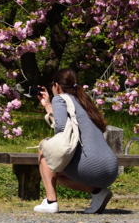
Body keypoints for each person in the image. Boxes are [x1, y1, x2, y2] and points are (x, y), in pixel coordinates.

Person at [34, 68, 118, 214]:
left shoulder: (60, 98)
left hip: (91, 166)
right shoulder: (84, 100)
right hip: (111, 168)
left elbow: (61, 128)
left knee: (44, 147)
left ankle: (51, 202)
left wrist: (52, 103)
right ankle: (98, 192)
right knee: (56, 176)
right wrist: (47, 105)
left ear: (57, 86)